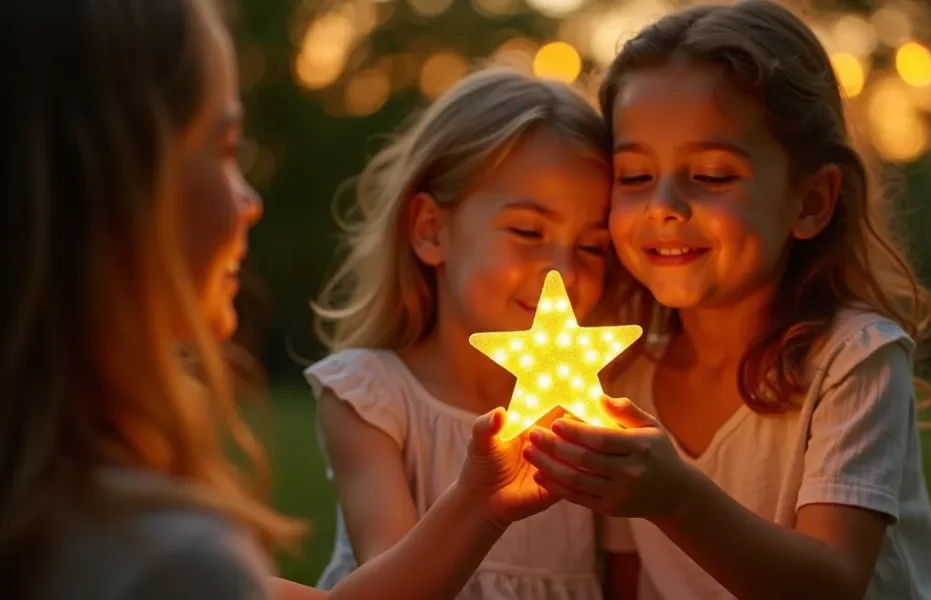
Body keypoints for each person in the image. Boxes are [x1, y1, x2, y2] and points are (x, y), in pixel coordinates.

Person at [0, 1, 567, 598]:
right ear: (117, 187)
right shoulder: (166, 561)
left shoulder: (59, 516)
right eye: (225, 150)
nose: (250, 201)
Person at [522, 2, 931, 599]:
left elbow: (832, 583)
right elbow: (630, 581)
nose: (664, 206)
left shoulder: (853, 360)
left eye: (713, 175)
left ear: (811, 202)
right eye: (635, 176)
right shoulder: (620, 378)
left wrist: (676, 498)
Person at [306, 66, 617, 598]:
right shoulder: (373, 398)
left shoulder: (599, 411)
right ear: (431, 231)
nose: (564, 270)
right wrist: (481, 505)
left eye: (591, 246)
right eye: (527, 231)